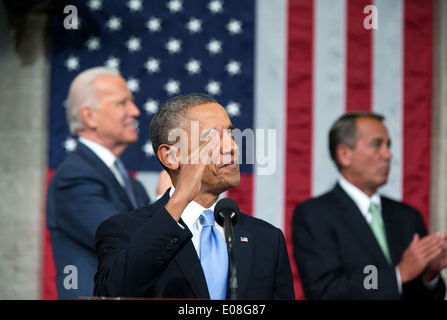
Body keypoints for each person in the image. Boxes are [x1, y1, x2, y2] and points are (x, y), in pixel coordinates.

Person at [93, 93, 295, 299]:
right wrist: (180, 198)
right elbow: (111, 291)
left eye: (231, 135)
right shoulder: (125, 231)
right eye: (212, 138)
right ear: (171, 156)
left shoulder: (267, 239)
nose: (232, 147)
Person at [292, 112, 447, 299]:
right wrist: (398, 274)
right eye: (377, 145)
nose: (388, 155)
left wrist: (429, 275)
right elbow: (326, 289)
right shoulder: (314, 215)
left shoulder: (407, 216)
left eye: (388, 145)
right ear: (344, 154)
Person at [46, 67, 151, 299]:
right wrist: (173, 202)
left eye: (132, 102)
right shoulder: (74, 177)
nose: (135, 111)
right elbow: (129, 243)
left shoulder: (135, 187)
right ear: (89, 116)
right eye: (122, 103)